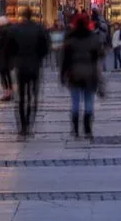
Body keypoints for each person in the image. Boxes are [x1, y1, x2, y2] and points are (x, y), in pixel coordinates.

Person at [60, 13, 105, 139]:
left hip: (74, 74)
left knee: (75, 103)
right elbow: (100, 56)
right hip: (90, 74)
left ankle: (75, 129)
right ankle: (87, 129)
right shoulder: (93, 38)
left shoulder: (70, 39)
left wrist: (62, 75)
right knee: (89, 102)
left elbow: (65, 60)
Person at [9, 8, 52, 136]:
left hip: (20, 66)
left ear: (22, 16)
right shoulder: (39, 29)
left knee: (21, 97)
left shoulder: (15, 29)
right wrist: (39, 57)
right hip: (34, 66)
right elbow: (46, 47)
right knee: (33, 96)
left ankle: (22, 126)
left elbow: (10, 47)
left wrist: (15, 59)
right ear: (32, 15)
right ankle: (29, 123)